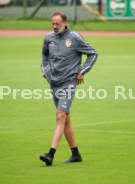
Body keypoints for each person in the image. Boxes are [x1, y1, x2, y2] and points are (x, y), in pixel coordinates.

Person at [39, 12, 98, 166]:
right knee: (65, 120)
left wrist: (82, 71)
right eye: (52, 23)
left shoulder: (75, 38)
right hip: (54, 83)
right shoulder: (48, 38)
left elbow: (93, 54)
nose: (54, 26)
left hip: (68, 84)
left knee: (60, 116)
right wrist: (44, 69)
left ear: (64, 23)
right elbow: (44, 56)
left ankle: (50, 154)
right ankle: (76, 154)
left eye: (57, 24)